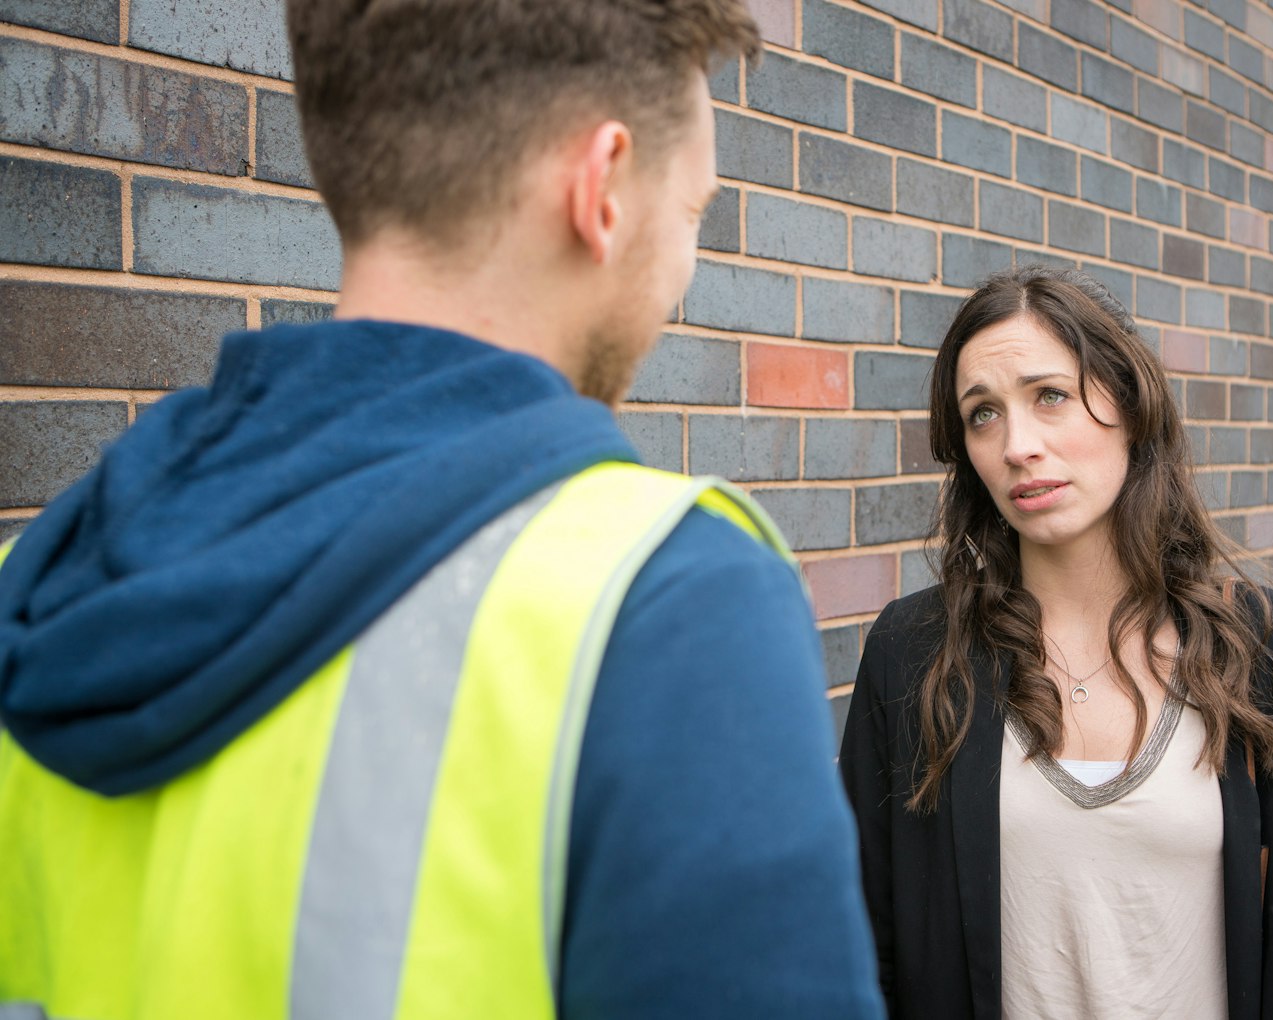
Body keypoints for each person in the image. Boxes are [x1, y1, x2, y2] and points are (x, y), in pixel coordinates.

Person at [0, 2, 885, 1017]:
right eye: (690, 214)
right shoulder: (668, 602)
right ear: (601, 188)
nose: (682, 275)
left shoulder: (45, 575)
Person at [839, 264, 1273, 1020]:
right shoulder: (916, 654)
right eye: (982, 415)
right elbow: (866, 952)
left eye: (1049, 396)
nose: (1017, 444)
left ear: (1129, 404)